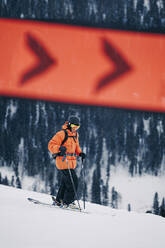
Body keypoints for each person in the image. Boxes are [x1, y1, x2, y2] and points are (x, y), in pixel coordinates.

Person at [48, 116, 86, 209]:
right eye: (73, 126)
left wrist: (80, 153)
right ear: (68, 124)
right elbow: (51, 145)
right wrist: (59, 148)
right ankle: (67, 202)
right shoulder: (61, 134)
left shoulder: (75, 135)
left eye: (77, 127)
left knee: (65, 182)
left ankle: (59, 200)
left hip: (71, 163)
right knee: (73, 183)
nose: (75, 128)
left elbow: (76, 146)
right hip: (63, 161)